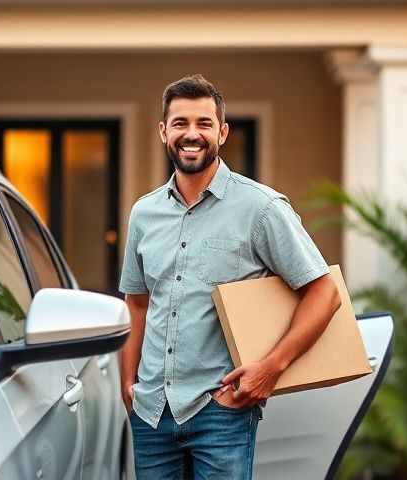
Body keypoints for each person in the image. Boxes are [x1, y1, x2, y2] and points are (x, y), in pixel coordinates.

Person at [118, 74, 342, 479]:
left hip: (220, 411)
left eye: (204, 124)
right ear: (163, 132)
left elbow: (324, 292)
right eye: (181, 123)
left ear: (222, 133)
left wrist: (271, 367)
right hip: (150, 413)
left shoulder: (261, 208)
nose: (192, 134)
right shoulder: (143, 213)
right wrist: (128, 385)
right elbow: (137, 302)